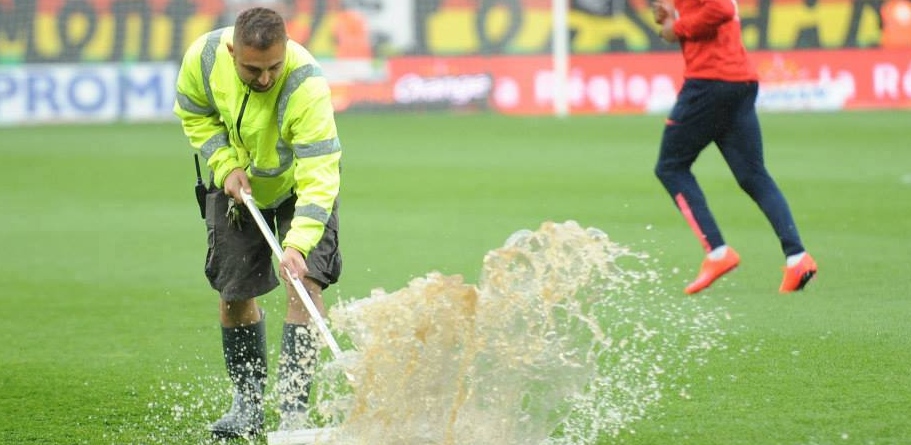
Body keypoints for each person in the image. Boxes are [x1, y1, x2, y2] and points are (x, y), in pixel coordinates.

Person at [173, 6, 342, 439]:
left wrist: (298, 245)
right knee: (233, 295)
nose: (265, 79)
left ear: (286, 50)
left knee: (304, 288)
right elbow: (193, 111)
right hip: (238, 188)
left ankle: (293, 414)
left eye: (274, 67)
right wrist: (224, 162)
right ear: (233, 51)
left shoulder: (307, 85)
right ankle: (247, 406)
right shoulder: (204, 57)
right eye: (252, 69)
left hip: (299, 191)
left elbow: (320, 174)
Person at [650, 0, 817, 294]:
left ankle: (717, 252)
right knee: (753, 175)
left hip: (709, 82)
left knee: (671, 167)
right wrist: (669, 18)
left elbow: (721, 8)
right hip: (738, 82)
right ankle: (797, 257)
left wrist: (676, 27)